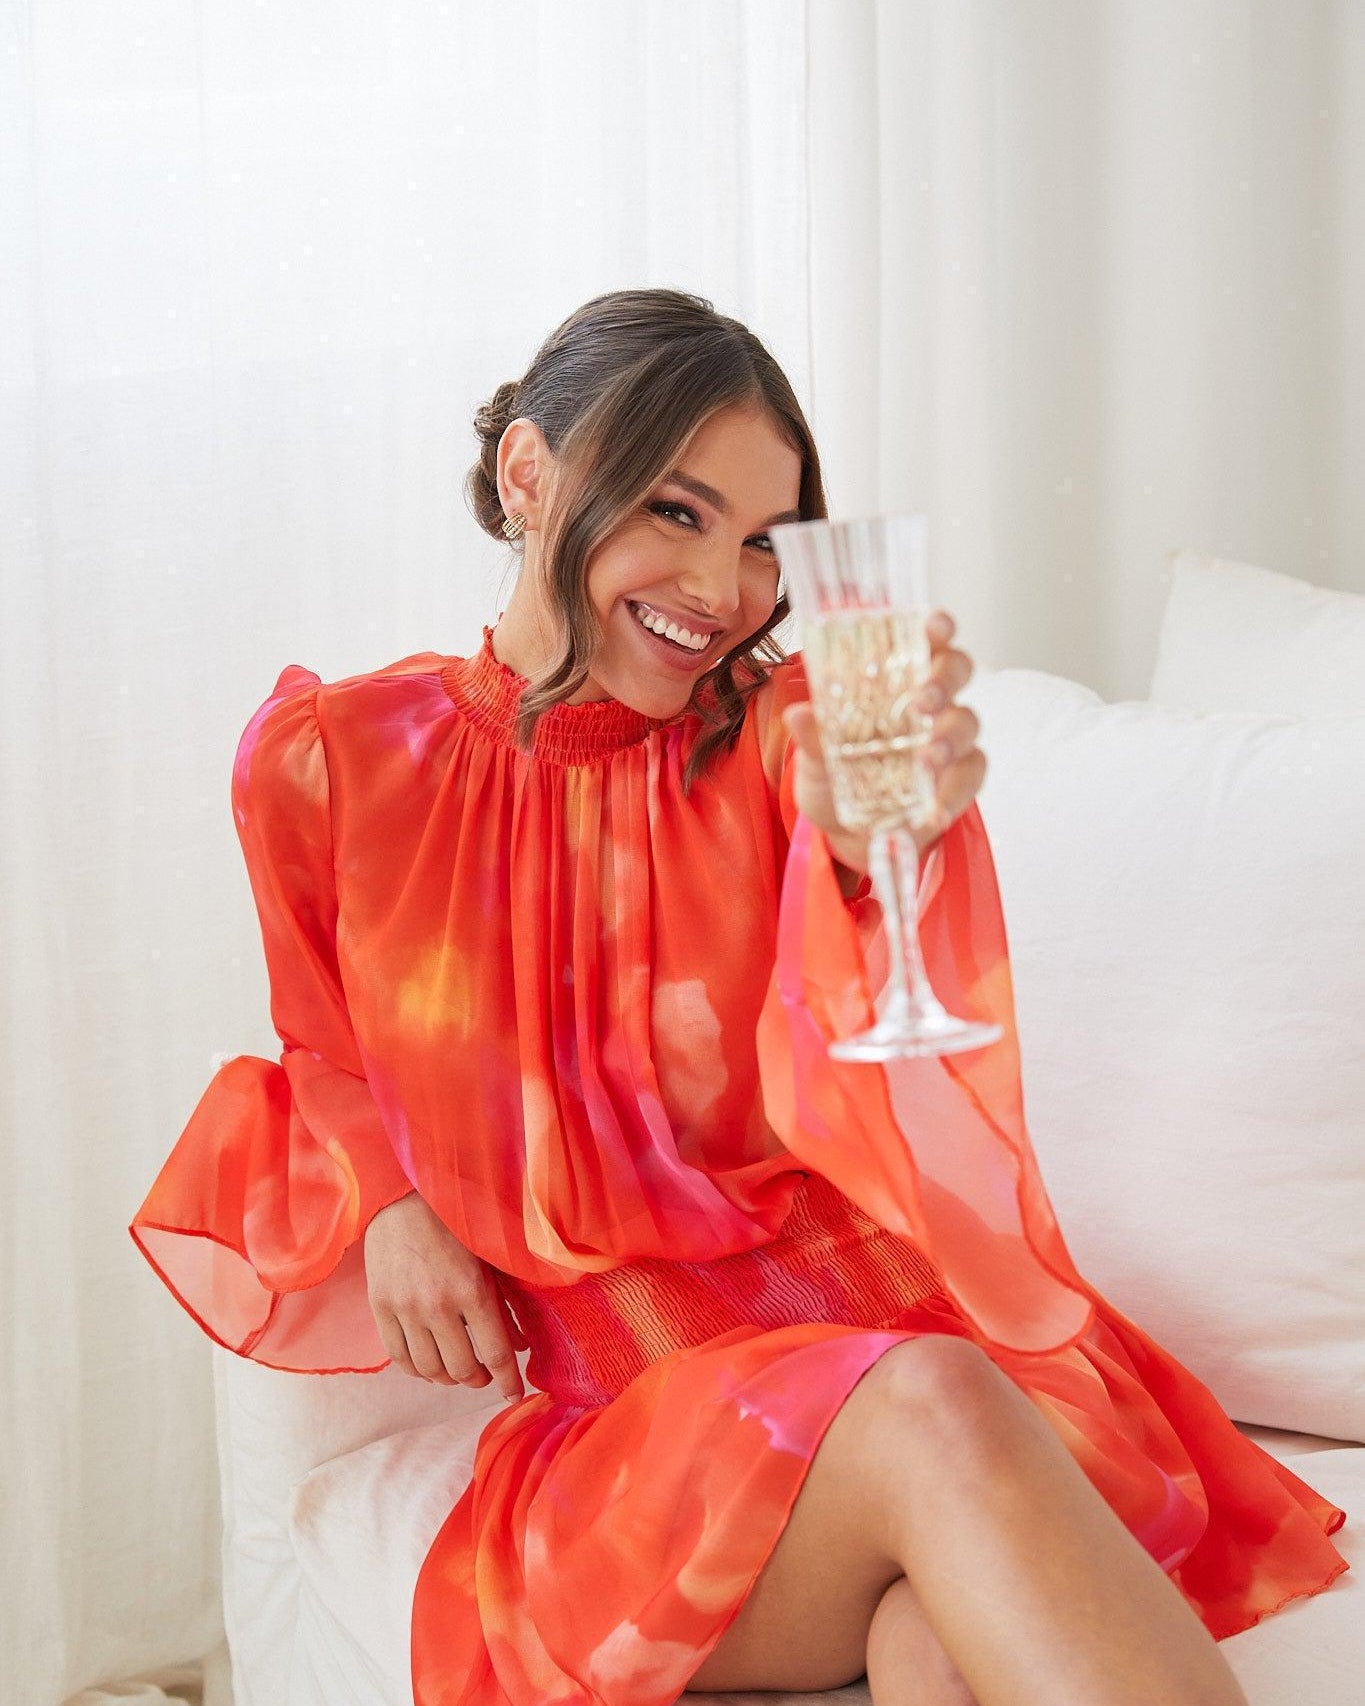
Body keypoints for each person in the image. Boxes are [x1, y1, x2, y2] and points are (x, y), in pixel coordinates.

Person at [130, 288, 1347, 1706]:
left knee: (933, 1638)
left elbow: (857, 922)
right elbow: (320, 1027)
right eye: (677, 511)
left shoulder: (776, 735)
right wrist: (392, 1195)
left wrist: (877, 832)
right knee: (936, 1410)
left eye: (766, 539)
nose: (725, 587)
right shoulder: (330, 762)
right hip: (654, 1440)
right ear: (529, 476)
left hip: (908, 1365)